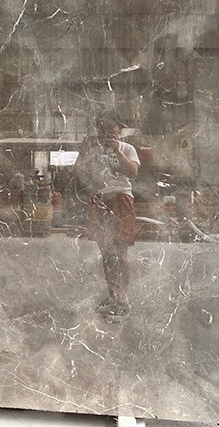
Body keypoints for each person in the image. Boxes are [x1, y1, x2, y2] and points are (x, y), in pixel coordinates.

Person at [75, 115, 140, 317]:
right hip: (99, 199)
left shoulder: (127, 148)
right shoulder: (93, 151)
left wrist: (117, 151)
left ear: (119, 131)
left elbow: (133, 172)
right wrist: (82, 153)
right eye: (103, 132)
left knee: (121, 251)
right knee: (106, 252)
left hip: (120, 198)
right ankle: (113, 295)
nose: (107, 136)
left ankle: (123, 298)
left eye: (111, 132)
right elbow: (80, 173)